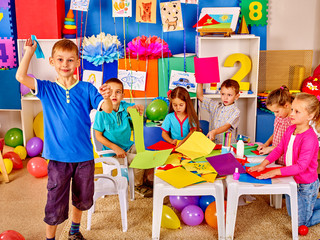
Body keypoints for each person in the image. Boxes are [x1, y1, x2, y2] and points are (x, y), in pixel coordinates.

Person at [16, 38, 113, 240]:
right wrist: (28, 52)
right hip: (58, 159)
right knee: (54, 203)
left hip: (84, 157)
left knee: (82, 200)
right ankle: (49, 238)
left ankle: (74, 232)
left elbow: (106, 109)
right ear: (52, 61)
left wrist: (107, 98)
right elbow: (20, 76)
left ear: (78, 62)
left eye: (70, 60)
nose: (65, 65)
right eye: (60, 60)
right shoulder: (46, 88)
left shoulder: (87, 88)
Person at [249, 92, 320, 227]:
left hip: (306, 184)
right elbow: (279, 149)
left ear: (310, 116)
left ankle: (310, 203)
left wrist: (275, 172)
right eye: (292, 109)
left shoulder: (309, 139)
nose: (292, 113)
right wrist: (263, 164)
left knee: (301, 222)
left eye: (297, 111)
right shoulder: (290, 129)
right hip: (292, 179)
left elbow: (301, 167)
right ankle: (310, 203)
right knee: (291, 213)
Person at [92, 78, 153, 197]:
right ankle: (137, 185)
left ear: (123, 95)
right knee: (138, 160)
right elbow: (98, 136)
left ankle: (144, 180)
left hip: (127, 146)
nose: (114, 95)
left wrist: (138, 107)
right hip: (112, 153)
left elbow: (132, 108)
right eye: (110, 92)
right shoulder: (101, 113)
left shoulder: (125, 106)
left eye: (118, 92)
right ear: (105, 94)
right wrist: (115, 148)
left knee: (146, 155)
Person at [257, 86, 293, 165]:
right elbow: (275, 134)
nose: (275, 115)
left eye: (277, 111)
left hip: (287, 160)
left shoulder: (293, 121)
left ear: (286, 106)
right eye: (273, 112)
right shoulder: (279, 117)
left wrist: (270, 149)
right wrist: (266, 144)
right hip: (277, 157)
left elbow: (290, 144)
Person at [196, 79, 240, 144]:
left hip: (228, 145)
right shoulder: (215, 106)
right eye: (223, 94)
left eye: (229, 95)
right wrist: (200, 82)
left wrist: (214, 132)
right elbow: (200, 96)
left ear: (236, 96)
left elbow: (226, 126)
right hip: (213, 144)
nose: (225, 97)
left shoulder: (236, 112)